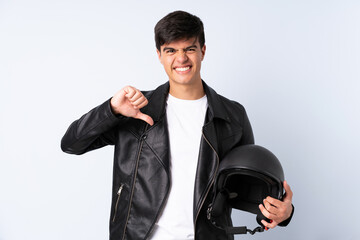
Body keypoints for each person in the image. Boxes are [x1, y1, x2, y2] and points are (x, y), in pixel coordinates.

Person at [61, 10, 294, 240]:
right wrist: (111, 109)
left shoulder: (232, 115)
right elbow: (71, 144)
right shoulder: (135, 108)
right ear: (159, 55)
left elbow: (244, 188)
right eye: (171, 50)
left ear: (202, 51)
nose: (181, 59)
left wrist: (283, 214)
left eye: (189, 49)